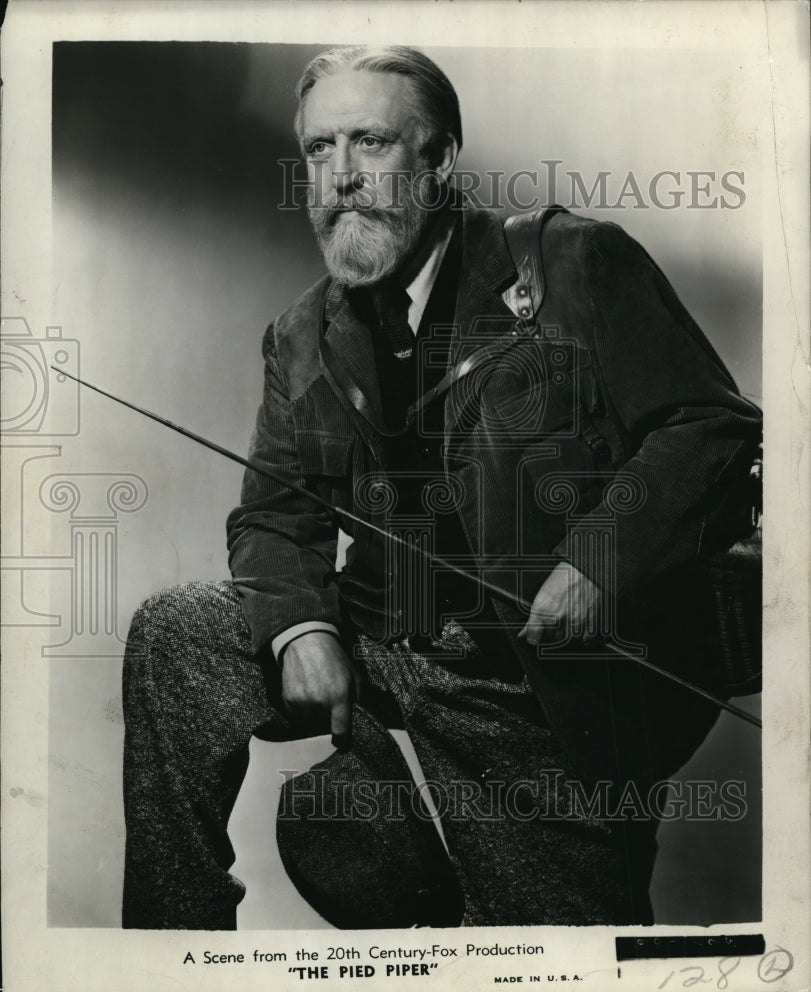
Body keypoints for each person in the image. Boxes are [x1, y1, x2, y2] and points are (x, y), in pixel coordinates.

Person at [122, 45, 762, 931]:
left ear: (440, 159)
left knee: (569, 959)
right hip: (383, 648)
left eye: (371, 143)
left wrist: (596, 561)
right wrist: (299, 630)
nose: (340, 177)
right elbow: (275, 516)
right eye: (316, 150)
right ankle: (167, 959)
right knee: (178, 633)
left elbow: (708, 424)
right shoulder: (302, 334)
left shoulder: (573, 264)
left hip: (535, 703)